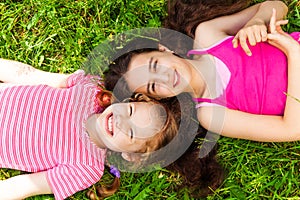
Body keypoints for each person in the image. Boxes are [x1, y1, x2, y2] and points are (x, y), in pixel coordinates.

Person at [0, 59, 224, 199]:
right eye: (129, 112)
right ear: (128, 101)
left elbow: (23, 186)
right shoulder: (89, 88)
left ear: (132, 155)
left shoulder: (86, 168)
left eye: (132, 132)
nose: (120, 122)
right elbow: (30, 76)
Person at [104, 1, 300, 143]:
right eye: (153, 85)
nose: (163, 77)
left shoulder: (208, 35)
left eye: (155, 65)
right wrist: (293, 53)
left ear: (164, 49)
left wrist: (256, 21)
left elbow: (277, 6)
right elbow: (290, 129)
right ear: (158, 98)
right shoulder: (210, 114)